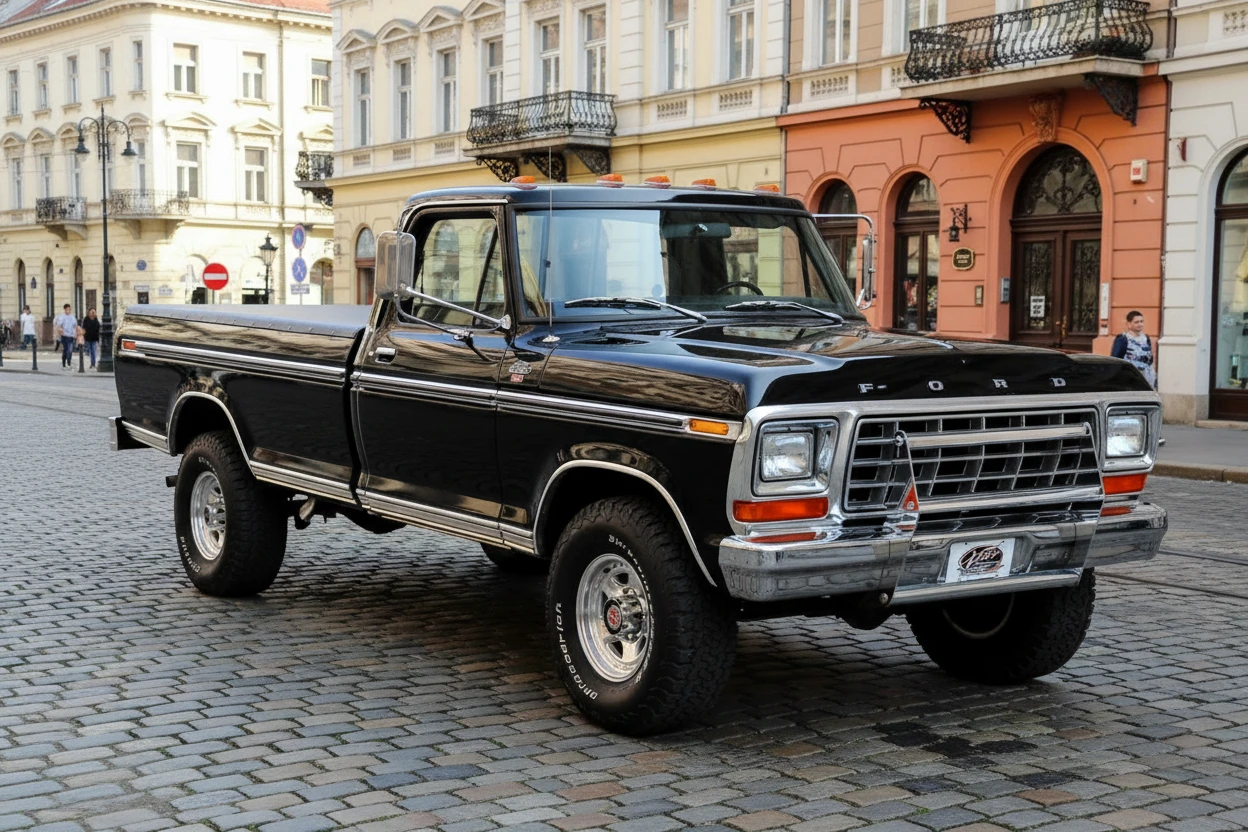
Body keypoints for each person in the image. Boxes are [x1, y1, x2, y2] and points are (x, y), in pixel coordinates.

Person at [1111, 310, 1156, 389]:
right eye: (1136, 322)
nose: (1140, 324)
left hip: (1146, 380)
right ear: (1129, 324)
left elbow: (1150, 360)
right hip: (1129, 381)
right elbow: (1115, 360)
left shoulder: (1146, 339)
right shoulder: (1123, 339)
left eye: (1141, 321)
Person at [53, 303, 77, 369]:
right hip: (64, 336)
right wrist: (60, 330)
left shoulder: (72, 317)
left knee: (70, 350)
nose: (68, 311)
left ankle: (69, 363)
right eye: (67, 309)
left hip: (71, 336)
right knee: (65, 350)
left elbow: (75, 326)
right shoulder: (62, 317)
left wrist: (75, 334)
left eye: (69, 309)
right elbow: (58, 325)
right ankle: (64, 364)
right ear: (65, 309)